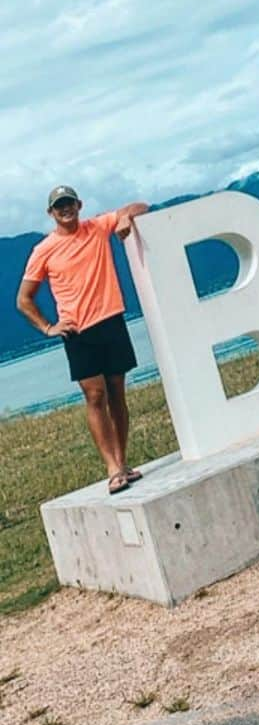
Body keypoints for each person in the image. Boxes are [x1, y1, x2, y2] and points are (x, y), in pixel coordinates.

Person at [16, 185, 150, 494]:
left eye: (69, 203)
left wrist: (125, 218)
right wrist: (48, 327)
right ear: (51, 213)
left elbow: (141, 204)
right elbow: (24, 299)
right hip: (78, 332)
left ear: (79, 205)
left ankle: (123, 461)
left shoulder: (98, 226)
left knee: (118, 392)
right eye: (58, 206)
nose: (65, 209)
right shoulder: (43, 250)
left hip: (111, 320)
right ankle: (112, 467)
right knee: (95, 397)